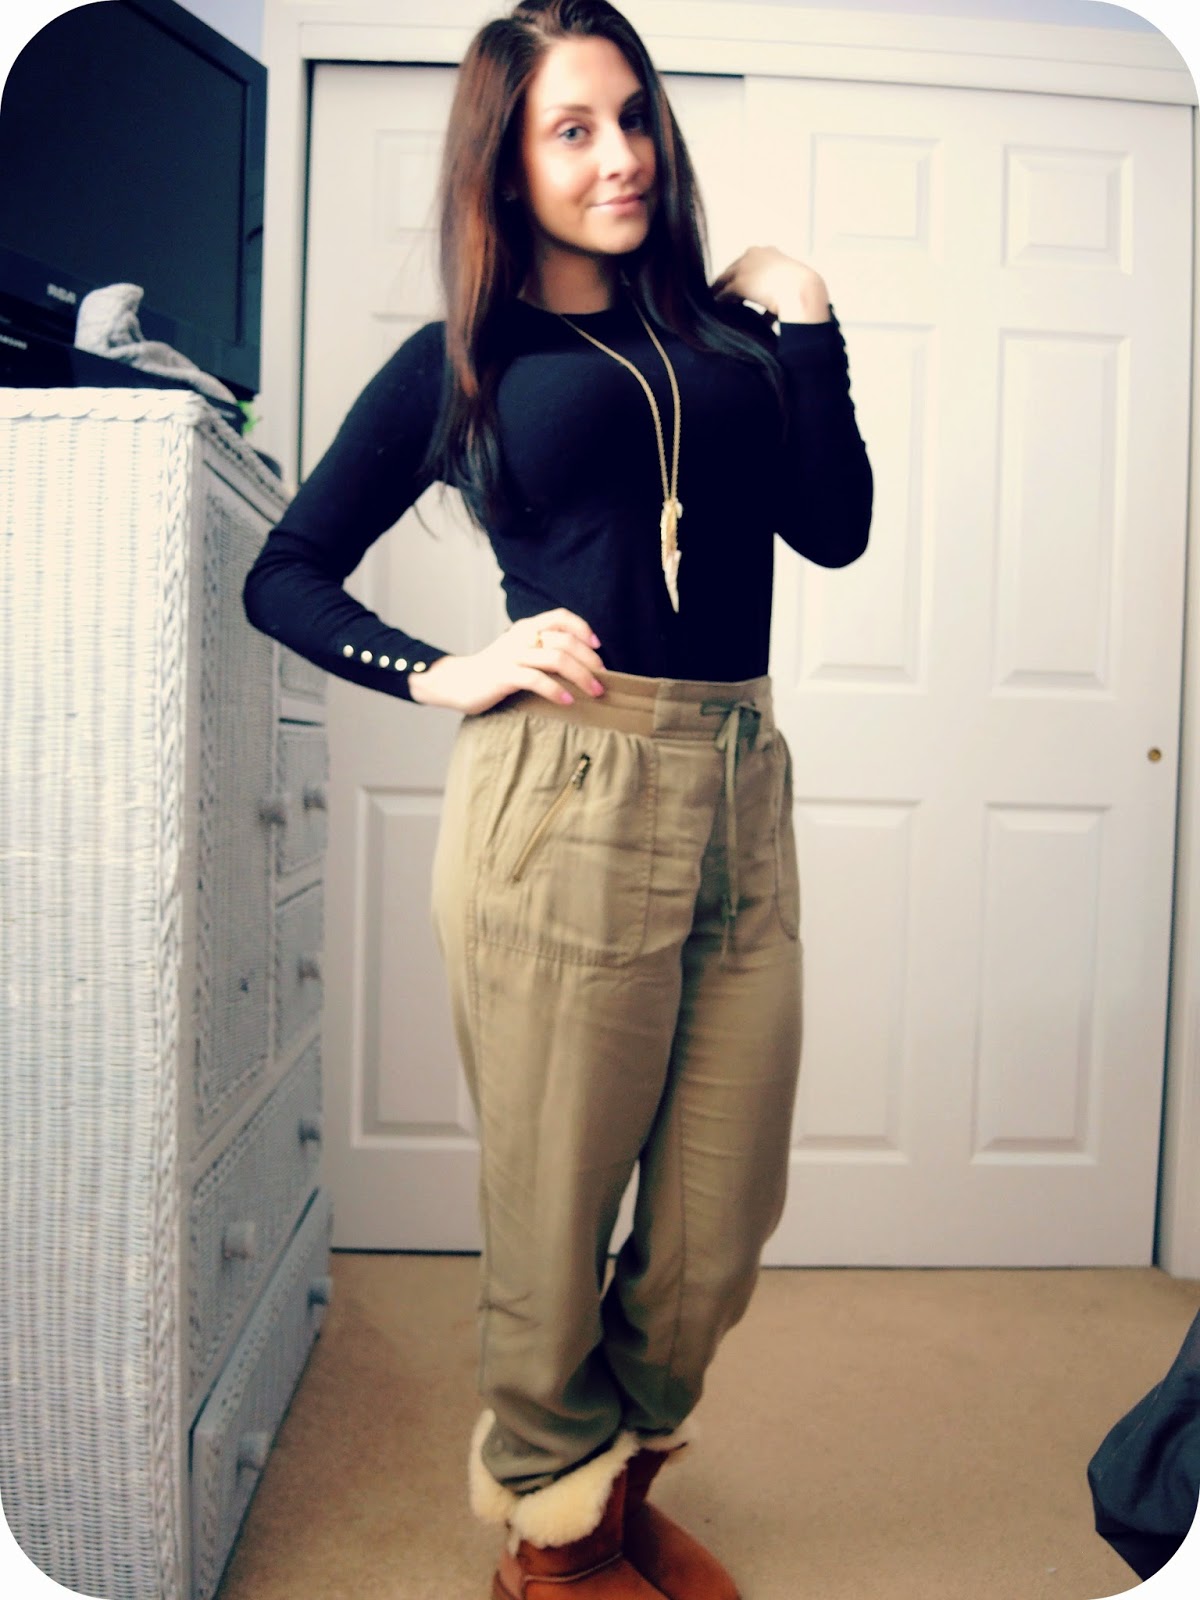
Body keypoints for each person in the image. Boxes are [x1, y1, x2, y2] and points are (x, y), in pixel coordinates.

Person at [243, 2, 873, 1594]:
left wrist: (806, 316)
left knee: (720, 1215)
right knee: (553, 1210)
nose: (621, 156)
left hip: (739, 778)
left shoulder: (734, 342)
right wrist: (443, 668)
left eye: (633, 117)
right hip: (566, 795)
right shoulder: (468, 361)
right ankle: (556, 1532)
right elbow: (287, 572)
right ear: (505, 164)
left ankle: (612, 1473)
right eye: (572, 130)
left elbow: (834, 526)